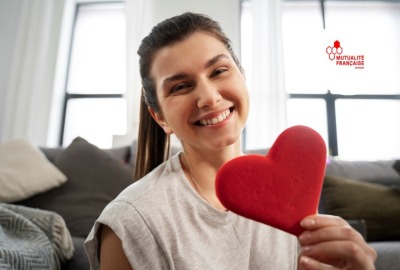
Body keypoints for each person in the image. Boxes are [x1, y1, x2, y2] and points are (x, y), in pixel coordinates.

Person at [84, 12, 377, 270]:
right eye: (181, 86)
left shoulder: (288, 191)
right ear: (159, 117)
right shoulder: (131, 224)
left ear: (243, 76)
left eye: (219, 71)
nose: (209, 97)